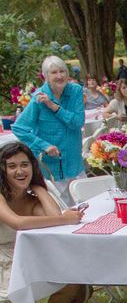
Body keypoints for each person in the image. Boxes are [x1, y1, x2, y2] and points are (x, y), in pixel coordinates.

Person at [0, 142, 87, 303]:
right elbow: (17, 223)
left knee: (84, 284)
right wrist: (63, 219)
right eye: (12, 166)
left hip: (29, 255)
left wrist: (40, 189)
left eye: (25, 165)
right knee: (71, 281)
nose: (20, 171)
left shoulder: (32, 198)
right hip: (4, 261)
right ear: (2, 171)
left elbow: (54, 216)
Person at [11, 55, 86, 206]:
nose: (59, 76)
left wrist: (54, 107)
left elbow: (77, 122)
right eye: (54, 72)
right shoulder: (38, 99)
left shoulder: (75, 91)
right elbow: (19, 128)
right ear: (45, 77)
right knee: (61, 209)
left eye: (62, 71)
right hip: (52, 167)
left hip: (74, 161)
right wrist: (44, 145)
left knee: (86, 205)